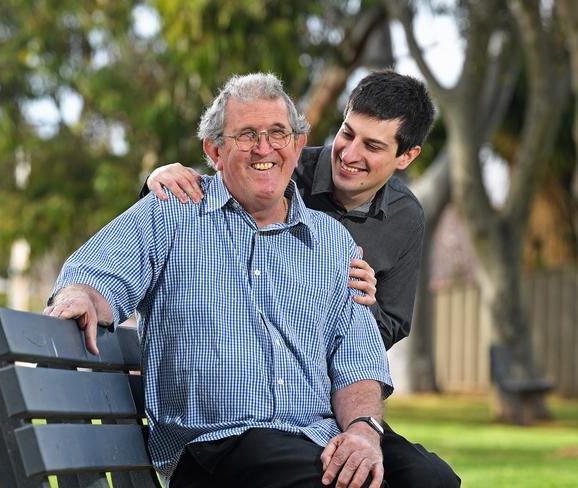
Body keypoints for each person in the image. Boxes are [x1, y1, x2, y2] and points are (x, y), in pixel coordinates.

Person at [45, 72, 393, 488]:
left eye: (278, 133)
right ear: (214, 150)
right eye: (246, 135)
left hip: (311, 440)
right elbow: (95, 274)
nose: (264, 148)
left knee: (430, 478)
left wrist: (361, 431)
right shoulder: (172, 213)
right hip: (213, 449)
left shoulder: (333, 241)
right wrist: (80, 294)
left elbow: (358, 355)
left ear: (298, 146)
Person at [141, 70, 461, 487]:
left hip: (329, 401)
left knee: (430, 479)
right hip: (244, 420)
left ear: (406, 157)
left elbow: (393, 322)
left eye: (373, 145)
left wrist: (357, 308)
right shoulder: (283, 167)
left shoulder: (404, 217)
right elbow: (225, 166)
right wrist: (155, 180)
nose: (349, 153)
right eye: (347, 134)